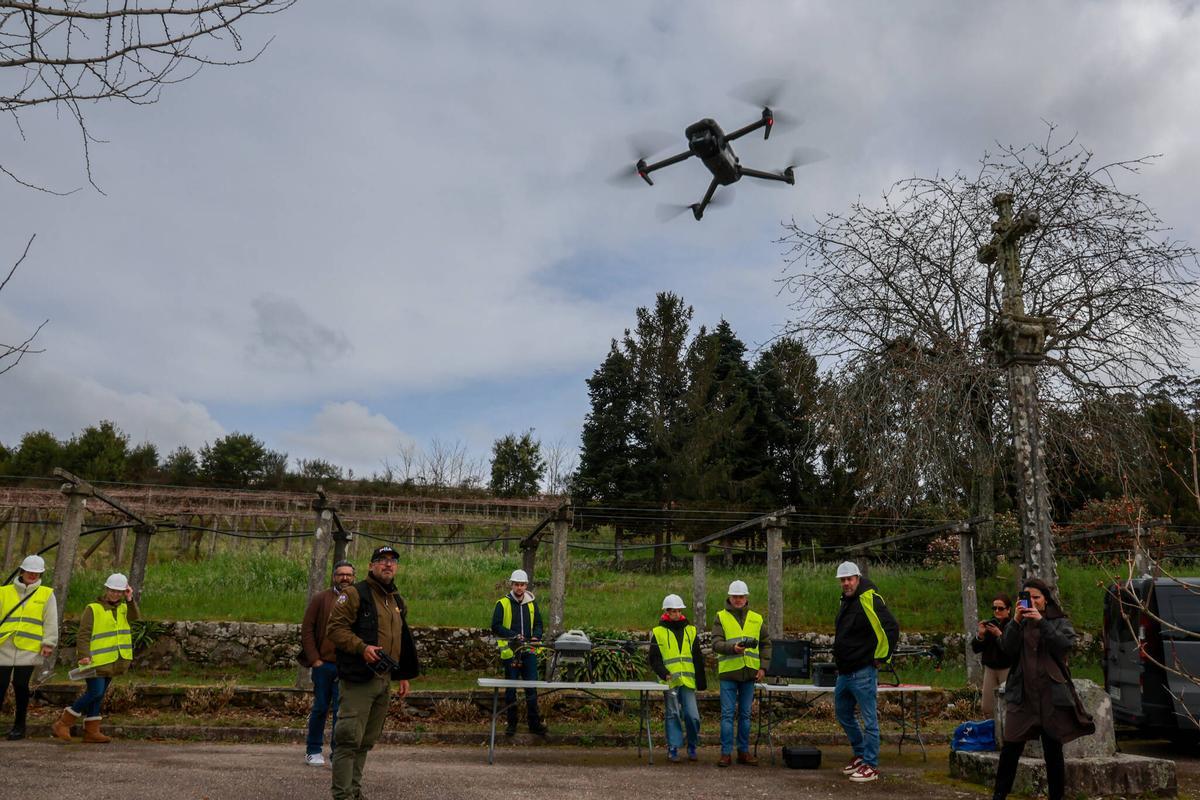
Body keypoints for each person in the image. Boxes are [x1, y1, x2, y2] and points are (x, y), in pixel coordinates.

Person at [326, 546, 419, 800]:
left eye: (392, 561)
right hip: (358, 679)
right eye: (381, 560)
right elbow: (335, 629)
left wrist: (403, 676)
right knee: (348, 739)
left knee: (366, 741)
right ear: (371, 566)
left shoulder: (397, 601)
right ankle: (342, 795)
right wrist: (361, 647)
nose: (388, 565)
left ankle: (354, 792)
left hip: (383, 680)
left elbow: (401, 640)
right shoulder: (355, 594)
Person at [992, 578, 1093, 800]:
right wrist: (1017, 620)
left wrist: (1041, 622)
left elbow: (1065, 645)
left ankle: (1056, 797)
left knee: (1053, 751)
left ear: (1045, 600)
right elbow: (1006, 649)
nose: (1033, 602)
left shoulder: (1058, 622)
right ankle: (999, 795)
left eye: (1037, 597)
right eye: (1028, 598)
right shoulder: (1018, 624)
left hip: (1051, 696)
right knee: (1010, 748)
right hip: (1023, 695)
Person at [52, 572, 139, 744]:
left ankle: (91, 731)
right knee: (95, 692)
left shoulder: (123, 608)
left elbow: (135, 618)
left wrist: (130, 599)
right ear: (106, 589)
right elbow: (83, 634)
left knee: (99, 695)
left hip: (114, 660)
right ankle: (63, 723)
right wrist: (84, 655)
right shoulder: (93, 608)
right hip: (95, 661)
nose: (115, 594)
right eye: (112, 590)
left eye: (119, 591)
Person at [833, 561, 899, 783]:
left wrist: (883, 657)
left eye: (849, 579)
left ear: (858, 578)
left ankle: (871, 764)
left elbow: (891, 627)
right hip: (844, 671)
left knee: (870, 720)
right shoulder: (846, 600)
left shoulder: (869, 598)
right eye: (843, 580)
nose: (846, 583)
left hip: (862, 671)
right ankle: (861, 754)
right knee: (842, 712)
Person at [300, 559, 356, 766]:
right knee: (320, 708)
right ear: (334, 576)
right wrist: (314, 659)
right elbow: (307, 629)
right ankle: (313, 749)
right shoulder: (321, 598)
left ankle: (336, 754)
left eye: (348, 575)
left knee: (342, 713)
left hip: (346, 667)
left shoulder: (358, 599)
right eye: (341, 574)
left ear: (354, 577)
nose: (345, 578)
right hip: (324, 665)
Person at [711, 579, 769, 767]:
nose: (738, 599)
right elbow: (715, 643)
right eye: (735, 596)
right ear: (729, 597)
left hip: (749, 674)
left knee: (745, 715)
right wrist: (732, 648)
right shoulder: (721, 617)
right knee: (727, 715)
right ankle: (725, 753)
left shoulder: (757, 618)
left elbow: (766, 643)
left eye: (741, 596)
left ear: (746, 598)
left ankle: (743, 752)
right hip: (729, 673)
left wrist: (763, 667)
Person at [0, 554, 58, 740]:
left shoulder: (46, 594)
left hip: (29, 647)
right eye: (30, 571)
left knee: (20, 685)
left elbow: (50, 620)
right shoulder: (3, 592)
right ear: (22, 571)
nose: (33, 575)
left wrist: (48, 643)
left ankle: (19, 726)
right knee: (0, 685)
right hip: (4, 645)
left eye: (37, 573)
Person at [649, 593, 706, 763]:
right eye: (672, 611)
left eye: (678, 611)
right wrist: (663, 673)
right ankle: (673, 747)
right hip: (670, 681)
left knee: (692, 715)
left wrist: (701, 681)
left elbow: (697, 656)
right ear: (666, 612)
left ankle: (692, 745)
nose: (676, 614)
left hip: (688, 681)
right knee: (672, 714)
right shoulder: (658, 632)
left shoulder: (691, 630)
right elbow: (654, 658)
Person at [490, 568, 547, 736]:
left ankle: (534, 724)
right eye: (516, 585)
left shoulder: (532, 603)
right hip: (510, 651)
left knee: (531, 688)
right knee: (511, 690)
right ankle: (512, 724)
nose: (519, 588)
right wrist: (514, 635)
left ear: (526, 585)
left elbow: (538, 624)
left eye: (522, 585)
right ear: (512, 585)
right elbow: (496, 626)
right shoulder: (502, 603)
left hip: (529, 650)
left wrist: (536, 636)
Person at [971, 592, 1014, 717]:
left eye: (1001, 608)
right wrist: (981, 635)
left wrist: (999, 635)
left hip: (1007, 668)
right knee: (987, 706)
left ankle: (1006, 734)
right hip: (990, 668)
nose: (997, 611)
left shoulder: (1013, 626)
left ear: (1008, 610)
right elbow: (976, 648)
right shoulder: (990, 624)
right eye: (994, 608)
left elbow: (1010, 648)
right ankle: (992, 731)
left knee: (1007, 704)